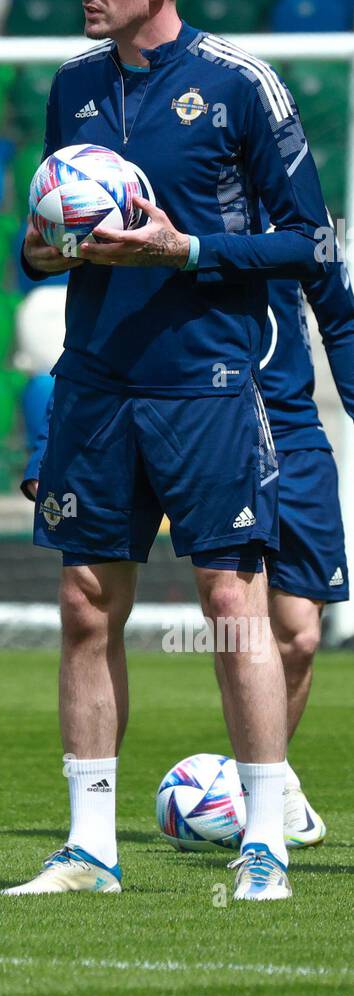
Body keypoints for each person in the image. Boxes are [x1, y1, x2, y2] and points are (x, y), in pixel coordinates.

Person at [6, 0, 329, 904]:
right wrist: (51, 246)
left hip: (206, 380)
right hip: (97, 379)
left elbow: (306, 240)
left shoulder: (237, 85)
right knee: (81, 605)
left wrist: (182, 249)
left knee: (230, 605)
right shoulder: (71, 86)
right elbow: (37, 240)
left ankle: (263, 844)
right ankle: (87, 848)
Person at [22, 246, 354, 849]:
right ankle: (255, 806)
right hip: (195, 412)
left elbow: (341, 317)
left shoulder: (292, 222)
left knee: (300, 633)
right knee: (225, 605)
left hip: (288, 427)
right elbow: (105, 336)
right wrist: (47, 447)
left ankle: (267, 783)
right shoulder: (169, 217)